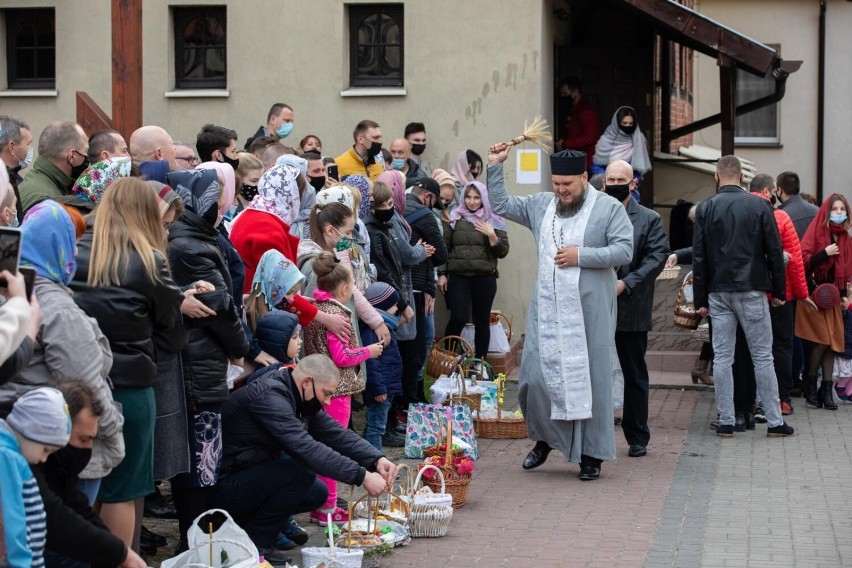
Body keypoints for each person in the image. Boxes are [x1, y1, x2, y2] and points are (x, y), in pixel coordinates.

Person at [486, 144, 633, 481]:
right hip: (547, 313)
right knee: (535, 380)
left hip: (589, 314)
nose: (562, 190)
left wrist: (581, 255)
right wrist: (495, 167)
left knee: (589, 383)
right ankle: (545, 439)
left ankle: (591, 455)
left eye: (568, 184)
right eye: (556, 184)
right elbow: (503, 204)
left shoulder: (608, 208)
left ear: (584, 177)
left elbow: (624, 248)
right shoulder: (542, 205)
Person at [70, 177, 185, 549]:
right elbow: (170, 328)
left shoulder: (73, 251)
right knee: (127, 486)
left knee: (86, 483)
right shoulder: (149, 260)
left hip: (76, 385)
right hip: (131, 383)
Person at [211, 355, 396, 564]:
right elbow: (307, 449)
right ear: (307, 382)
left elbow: (335, 432)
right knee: (298, 474)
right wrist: (361, 476)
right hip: (223, 482)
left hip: (248, 469)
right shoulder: (271, 396)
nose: (327, 402)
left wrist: (376, 459)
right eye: (326, 394)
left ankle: (247, 531)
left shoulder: (297, 394)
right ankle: (255, 545)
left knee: (316, 493)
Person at [0, 200, 125, 495]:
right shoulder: (55, 306)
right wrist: (113, 435)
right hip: (66, 443)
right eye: (74, 242)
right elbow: (83, 381)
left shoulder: (12, 292)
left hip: (24, 433)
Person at [165, 167, 250, 549]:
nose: (220, 208)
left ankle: (198, 539)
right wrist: (240, 347)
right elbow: (217, 302)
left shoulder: (198, 236)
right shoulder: (189, 245)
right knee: (200, 458)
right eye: (214, 201)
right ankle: (194, 542)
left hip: (200, 357)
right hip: (198, 360)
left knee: (202, 456)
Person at [692, 155, 793, 437]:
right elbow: (774, 250)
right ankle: (774, 421)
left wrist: (700, 299)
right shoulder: (759, 205)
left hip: (718, 291)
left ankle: (726, 419)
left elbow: (700, 257)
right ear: (742, 178)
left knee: (723, 357)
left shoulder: (706, 208)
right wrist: (779, 291)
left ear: (716, 176)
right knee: (763, 356)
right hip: (752, 288)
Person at [304, 252, 383, 524]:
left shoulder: (316, 309)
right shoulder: (338, 315)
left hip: (317, 384)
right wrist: (368, 352)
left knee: (323, 445)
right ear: (345, 289)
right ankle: (327, 507)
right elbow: (342, 357)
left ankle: (320, 503)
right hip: (336, 390)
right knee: (333, 449)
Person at [35, 381, 147, 568]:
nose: (87, 449)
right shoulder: (19, 462)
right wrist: (121, 554)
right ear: (57, 428)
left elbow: (75, 504)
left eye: (91, 440)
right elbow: (56, 514)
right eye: (83, 439)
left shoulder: (56, 463)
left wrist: (123, 551)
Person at [604, 160, 669, 458]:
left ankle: (637, 435)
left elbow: (656, 257)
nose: (615, 183)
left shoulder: (648, 219)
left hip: (630, 307)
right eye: (610, 178)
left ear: (633, 184)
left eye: (621, 179)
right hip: (595, 307)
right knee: (593, 373)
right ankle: (594, 432)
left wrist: (627, 283)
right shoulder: (591, 214)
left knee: (634, 373)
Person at [749, 173, 811, 415]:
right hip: (781, 295)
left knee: (753, 348)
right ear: (768, 191)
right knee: (782, 346)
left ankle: (751, 400)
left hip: (751, 291)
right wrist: (802, 293)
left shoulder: (743, 214)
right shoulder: (781, 217)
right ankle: (782, 399)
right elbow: (794, 261)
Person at [0, 387, 71, 568]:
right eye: (45, 449)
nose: (43, 459)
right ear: (30, 429)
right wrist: (20, 563)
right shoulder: (8, 458)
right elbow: (11, 520)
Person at [440, 181, 510, 359]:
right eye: (468, 197)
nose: (472, 202)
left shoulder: (493, 219)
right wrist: (442, 273)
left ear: (483, 198)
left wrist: (492, 235)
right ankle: (445, 359)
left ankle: (480, 364)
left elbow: (503, 252)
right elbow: (444, 248)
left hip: (484, 277)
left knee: (482, 320)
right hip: (458, 277)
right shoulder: (455, 218)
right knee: (458, 317)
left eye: (476, 197)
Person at [797, 193, 852, 411]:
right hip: (815, 297)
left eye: (842, 210)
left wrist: (844, 294)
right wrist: (824, 253)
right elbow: (803, 262)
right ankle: (811, 384)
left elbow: (845, 272)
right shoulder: (818, 232)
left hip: (835, 299)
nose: (839, 213)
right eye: (835, 209)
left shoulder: (846, 238)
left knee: (832, 343)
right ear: (826, 212)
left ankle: (825, 389)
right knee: (822, 341)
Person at [403, 179, 449, 405]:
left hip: (404, 286)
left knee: (407, 346)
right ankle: (411, 400)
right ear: (427, 197)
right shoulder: (424, 214)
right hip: (417, 287)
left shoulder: (397, 209)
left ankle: (410, 397)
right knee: (418, 347)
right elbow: (441, 255)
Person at [776, 170, 819, 398]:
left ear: (780, 189)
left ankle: (793, 380)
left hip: (789, 285)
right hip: (816, 281)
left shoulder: (781, 215)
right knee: (812, 333)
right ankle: (811, 380)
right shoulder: (817, 212)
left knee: (790, 334)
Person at [360, 283, 404, 450]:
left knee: (374, 425)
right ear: (383, 307)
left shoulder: (386, 329)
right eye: (394, 305)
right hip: (380, 390)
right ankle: (376, 463)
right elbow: (371, 365)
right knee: (376, 428)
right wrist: (378, 390)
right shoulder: (372, 333)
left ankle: (363, 456)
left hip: (386, 387)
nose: (397, 308)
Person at [18, 121, 89, 212]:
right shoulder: (45, 201)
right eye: (86, 151)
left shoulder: (43, 180)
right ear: (72, 156)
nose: (88, 157)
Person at [591, 107, 652, 186]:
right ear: (617, 123)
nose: (628, 126)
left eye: (631, 124)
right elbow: (597, 166)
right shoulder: (606, 139)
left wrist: (629, 180)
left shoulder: (639, 139)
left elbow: (638, 168)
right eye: (624, 123)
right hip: (607, 185)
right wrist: (610, 178)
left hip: (629, 186)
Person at [558, 77, 600, 171]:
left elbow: (591, 137)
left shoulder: (586, 111)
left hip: (587, 163)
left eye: (565, 94)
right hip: (577, 161)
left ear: (575, 92)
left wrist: (565, 144)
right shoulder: (573, 111)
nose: (562, 97)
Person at [0, 114, 33, 221]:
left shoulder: (12, 177)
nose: (30, 149)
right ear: (12, 147)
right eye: (28, 144)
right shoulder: (4, 182)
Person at [833, 290, 852, 402]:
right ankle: (840, 386)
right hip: (848, 348)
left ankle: (849, 392)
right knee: (847, 373)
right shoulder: (847, 314)